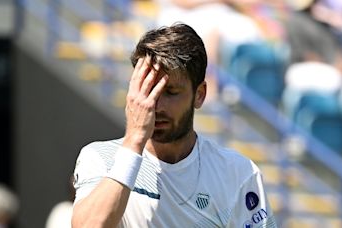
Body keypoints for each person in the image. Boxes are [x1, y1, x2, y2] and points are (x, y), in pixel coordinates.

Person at [71, 23, 277, 228]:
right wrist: (134, 140)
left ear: (200, 95)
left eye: (170, 92)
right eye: (149, 89)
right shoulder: (99, 157)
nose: (155, 105)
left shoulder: (238, 173)